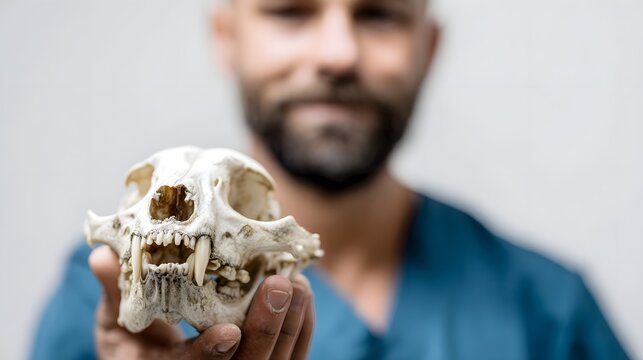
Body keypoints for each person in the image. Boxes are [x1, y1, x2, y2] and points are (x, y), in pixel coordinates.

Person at [32, 0, 630, 359]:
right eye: (291, 11)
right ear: (228, 37)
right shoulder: (101, 305)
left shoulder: (550, 312)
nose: (339, 53)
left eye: (378, 14)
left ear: (429, 47)